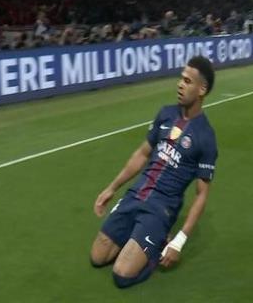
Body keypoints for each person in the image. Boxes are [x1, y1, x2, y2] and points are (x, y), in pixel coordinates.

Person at [90, 56, 218, 288]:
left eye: (187, 81)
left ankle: (157, 244)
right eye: (181, 79)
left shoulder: (206, 137)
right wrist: (112, 188)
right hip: (136, 195)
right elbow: (142, 154)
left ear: (202, 89)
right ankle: (137, 236)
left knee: (122, 275)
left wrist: (179, 241)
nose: (180, 84)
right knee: (98, 257)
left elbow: (201, 195)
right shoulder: (165, 114)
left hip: (161, 208)